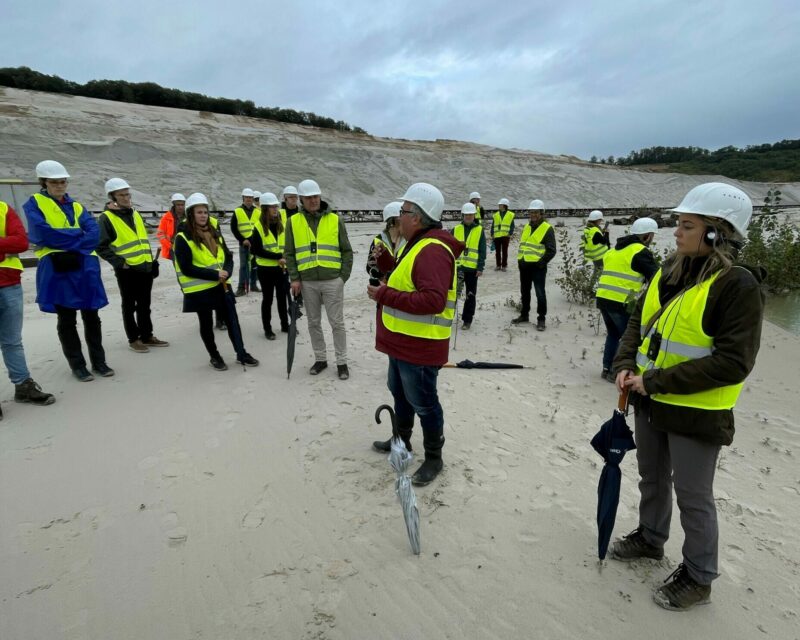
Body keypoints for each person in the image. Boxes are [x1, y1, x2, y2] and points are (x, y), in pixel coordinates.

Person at [609, 183, 764, 611]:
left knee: (693, 496)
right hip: (649, 401)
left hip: (697, 413)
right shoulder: (668, 268)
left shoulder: (739, 286)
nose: (675, 232)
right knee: (652, 477)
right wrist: (624, 366)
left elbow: (734, 362)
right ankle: (650, 538)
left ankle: (699, 577)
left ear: (717, 232)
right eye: (678, 223)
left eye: (687, 225)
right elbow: (637, 324)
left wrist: (654, 381)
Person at [367, 183, 463, 486]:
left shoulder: (433, 249)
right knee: (400, 393)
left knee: (424, 402)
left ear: (417, 217)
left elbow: (432, 300)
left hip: (420, 346)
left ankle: (434, 458)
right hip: (404, 341)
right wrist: (386, 266)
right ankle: (402, 441)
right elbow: (408, 279)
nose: (399, 217)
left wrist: (384, 295)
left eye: (403, 212)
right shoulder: (420, 243)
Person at [23, 160, 113, 381]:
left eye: (63, 181)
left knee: (92, 316)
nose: (61, 185)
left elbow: (93, 232)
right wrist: (78, 239)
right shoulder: (34, 204)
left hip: (84, 267)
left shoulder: (77, 206)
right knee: (66, 318)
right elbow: (43, 234)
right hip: (59, 268)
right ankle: (78, 365)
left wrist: (69, 241)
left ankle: (99, 362)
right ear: (44, 182)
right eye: (55, 182)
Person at [173, 192, 259, 371]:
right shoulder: (182, 237)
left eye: (205, 212)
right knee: (206, 324)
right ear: (191, 214)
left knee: (232, 320)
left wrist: (227, 271)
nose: (203, 215)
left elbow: (227, 255)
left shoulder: (214, 232)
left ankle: (241, 353)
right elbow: (186, 268)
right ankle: (214, 356)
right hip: (200, 289)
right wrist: (215, 275)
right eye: (199, 212)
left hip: (221, 285)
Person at [284, 179, 353, 380]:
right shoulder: (293, 222)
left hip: (332, 280)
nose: (313, 200)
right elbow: (289, 253)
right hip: (307, 282)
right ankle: (321, 359)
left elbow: (347, 251)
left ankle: (342, 362)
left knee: (336, 323)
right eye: (308, 197)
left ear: (320, 197)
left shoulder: (335, 219)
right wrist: (295, 278)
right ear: (301, 200)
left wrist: (342, 278)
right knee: (313, 322)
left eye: (315, 196)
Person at [97, 178, 168, 353]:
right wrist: (120, 263)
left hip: (144, 267)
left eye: (127, 194)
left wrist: (151, 263)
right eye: (121, 195)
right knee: (129, 305)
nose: (126, 198)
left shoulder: (135, 213)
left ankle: (147, 335)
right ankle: (133, 339)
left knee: (145, 304)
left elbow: (141, 241)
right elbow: (100, 246)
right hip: (126, 270)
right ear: (112, 197)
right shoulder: (106, 218)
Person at [0, 199, 55, 418]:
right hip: (9, 284)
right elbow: (11, 242)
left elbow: (21, 242)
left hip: (9, 283)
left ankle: (23, 386)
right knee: (12, 342)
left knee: (12, 341)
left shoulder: (2, 208)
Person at [595, 217, 659, 382]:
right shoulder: (640, 252)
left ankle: (607, 368)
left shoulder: (613, 251)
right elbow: (657, 277)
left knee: (613, 334)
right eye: (652, 235)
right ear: (646, 236)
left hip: (603, 298)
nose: (652, 239)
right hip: (620, 302)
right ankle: (617, 372)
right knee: (628, 338)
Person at [511, 199, 556, 331]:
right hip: (524, 266)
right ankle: (524, 315)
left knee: (540, 293)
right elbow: (524, 245)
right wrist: (520, 261)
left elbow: (551, 250)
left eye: (536, 212)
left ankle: (541, 319)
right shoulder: (527, 226)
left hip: (537, 268)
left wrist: (540, 263)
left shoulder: (547, 228)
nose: (533, 215)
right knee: (524, 292)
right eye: (531, 212)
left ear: (541, 213)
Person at [249, 192, 289, 339]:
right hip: (265, 269)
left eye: (276, 207)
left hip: (281, 268)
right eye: (272, 207)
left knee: (282, 298)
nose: (275, 209)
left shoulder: (281, 225)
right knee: (268, 299)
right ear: (265, 209)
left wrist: (284, 257)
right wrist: (278, 256)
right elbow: (256, 250)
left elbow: (285, 245)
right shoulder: (258, 227)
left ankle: (285, 325)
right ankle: (268, 329)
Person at [452, 203, 486, 329]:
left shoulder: (479, 230)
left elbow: (482, 250)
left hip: (472, 269)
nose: (468, 216)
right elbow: (449, 248)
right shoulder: (456, 229)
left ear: (474, 215)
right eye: (466, 214)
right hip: (457, 268)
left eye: (471, 214)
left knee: (470, 295)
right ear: (463, 215)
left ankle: (467, 320)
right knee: (453, 295)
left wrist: (480, 267)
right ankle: (449, 317)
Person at [232, 187, 260, 295]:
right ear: (243, 198)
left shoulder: (257, 212)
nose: (248, 199)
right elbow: (234, 228)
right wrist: (242, 240)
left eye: (250, 197)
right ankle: (241, 288)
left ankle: (253, 285)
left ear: (253, 199)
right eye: (246, 197)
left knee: (254, 264)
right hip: (243, 243)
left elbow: (260, 228)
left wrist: (254, 240)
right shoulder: (238, 211)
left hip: (254, 243)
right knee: (243, 265)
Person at [366, 201, 406, 278]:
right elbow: (369, 267)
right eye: (402, 216)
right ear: (393, 220)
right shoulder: (378, 240)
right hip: (384, 286)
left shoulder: (409, 239)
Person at [581, 210, 611, 277]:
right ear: (597, 220)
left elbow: (594, 239)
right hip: (600, 255)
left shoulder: (587, 229)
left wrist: (601, 232)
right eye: (600, 220)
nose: (600, 222)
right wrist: (607, 233)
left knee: (597, 271)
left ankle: (591, 286)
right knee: (599, 273)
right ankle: (592, 286)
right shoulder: (595, 230)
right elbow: (604, 241)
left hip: (593, 255)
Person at [156, 193, 185, 260]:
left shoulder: (189, 216)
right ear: (174, 205)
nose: (180, 207)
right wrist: (170, 246)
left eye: (182, 205)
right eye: (178, 205)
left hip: (187, 246)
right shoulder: (166, 217)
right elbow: (160, 234)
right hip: (173, 248)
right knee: (179, 269)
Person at [491, 197, 515, 271]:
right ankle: (498, 265)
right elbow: (493, 225)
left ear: (504, 205)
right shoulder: (496, 215)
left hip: (505, 236)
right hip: (497, 236)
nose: (499, 206)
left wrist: (510, 233)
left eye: (500, 204)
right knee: (497, 252)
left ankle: (504, 266)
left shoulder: (510, 214)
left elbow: (512, 225)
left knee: (505, 251)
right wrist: (492, 233)